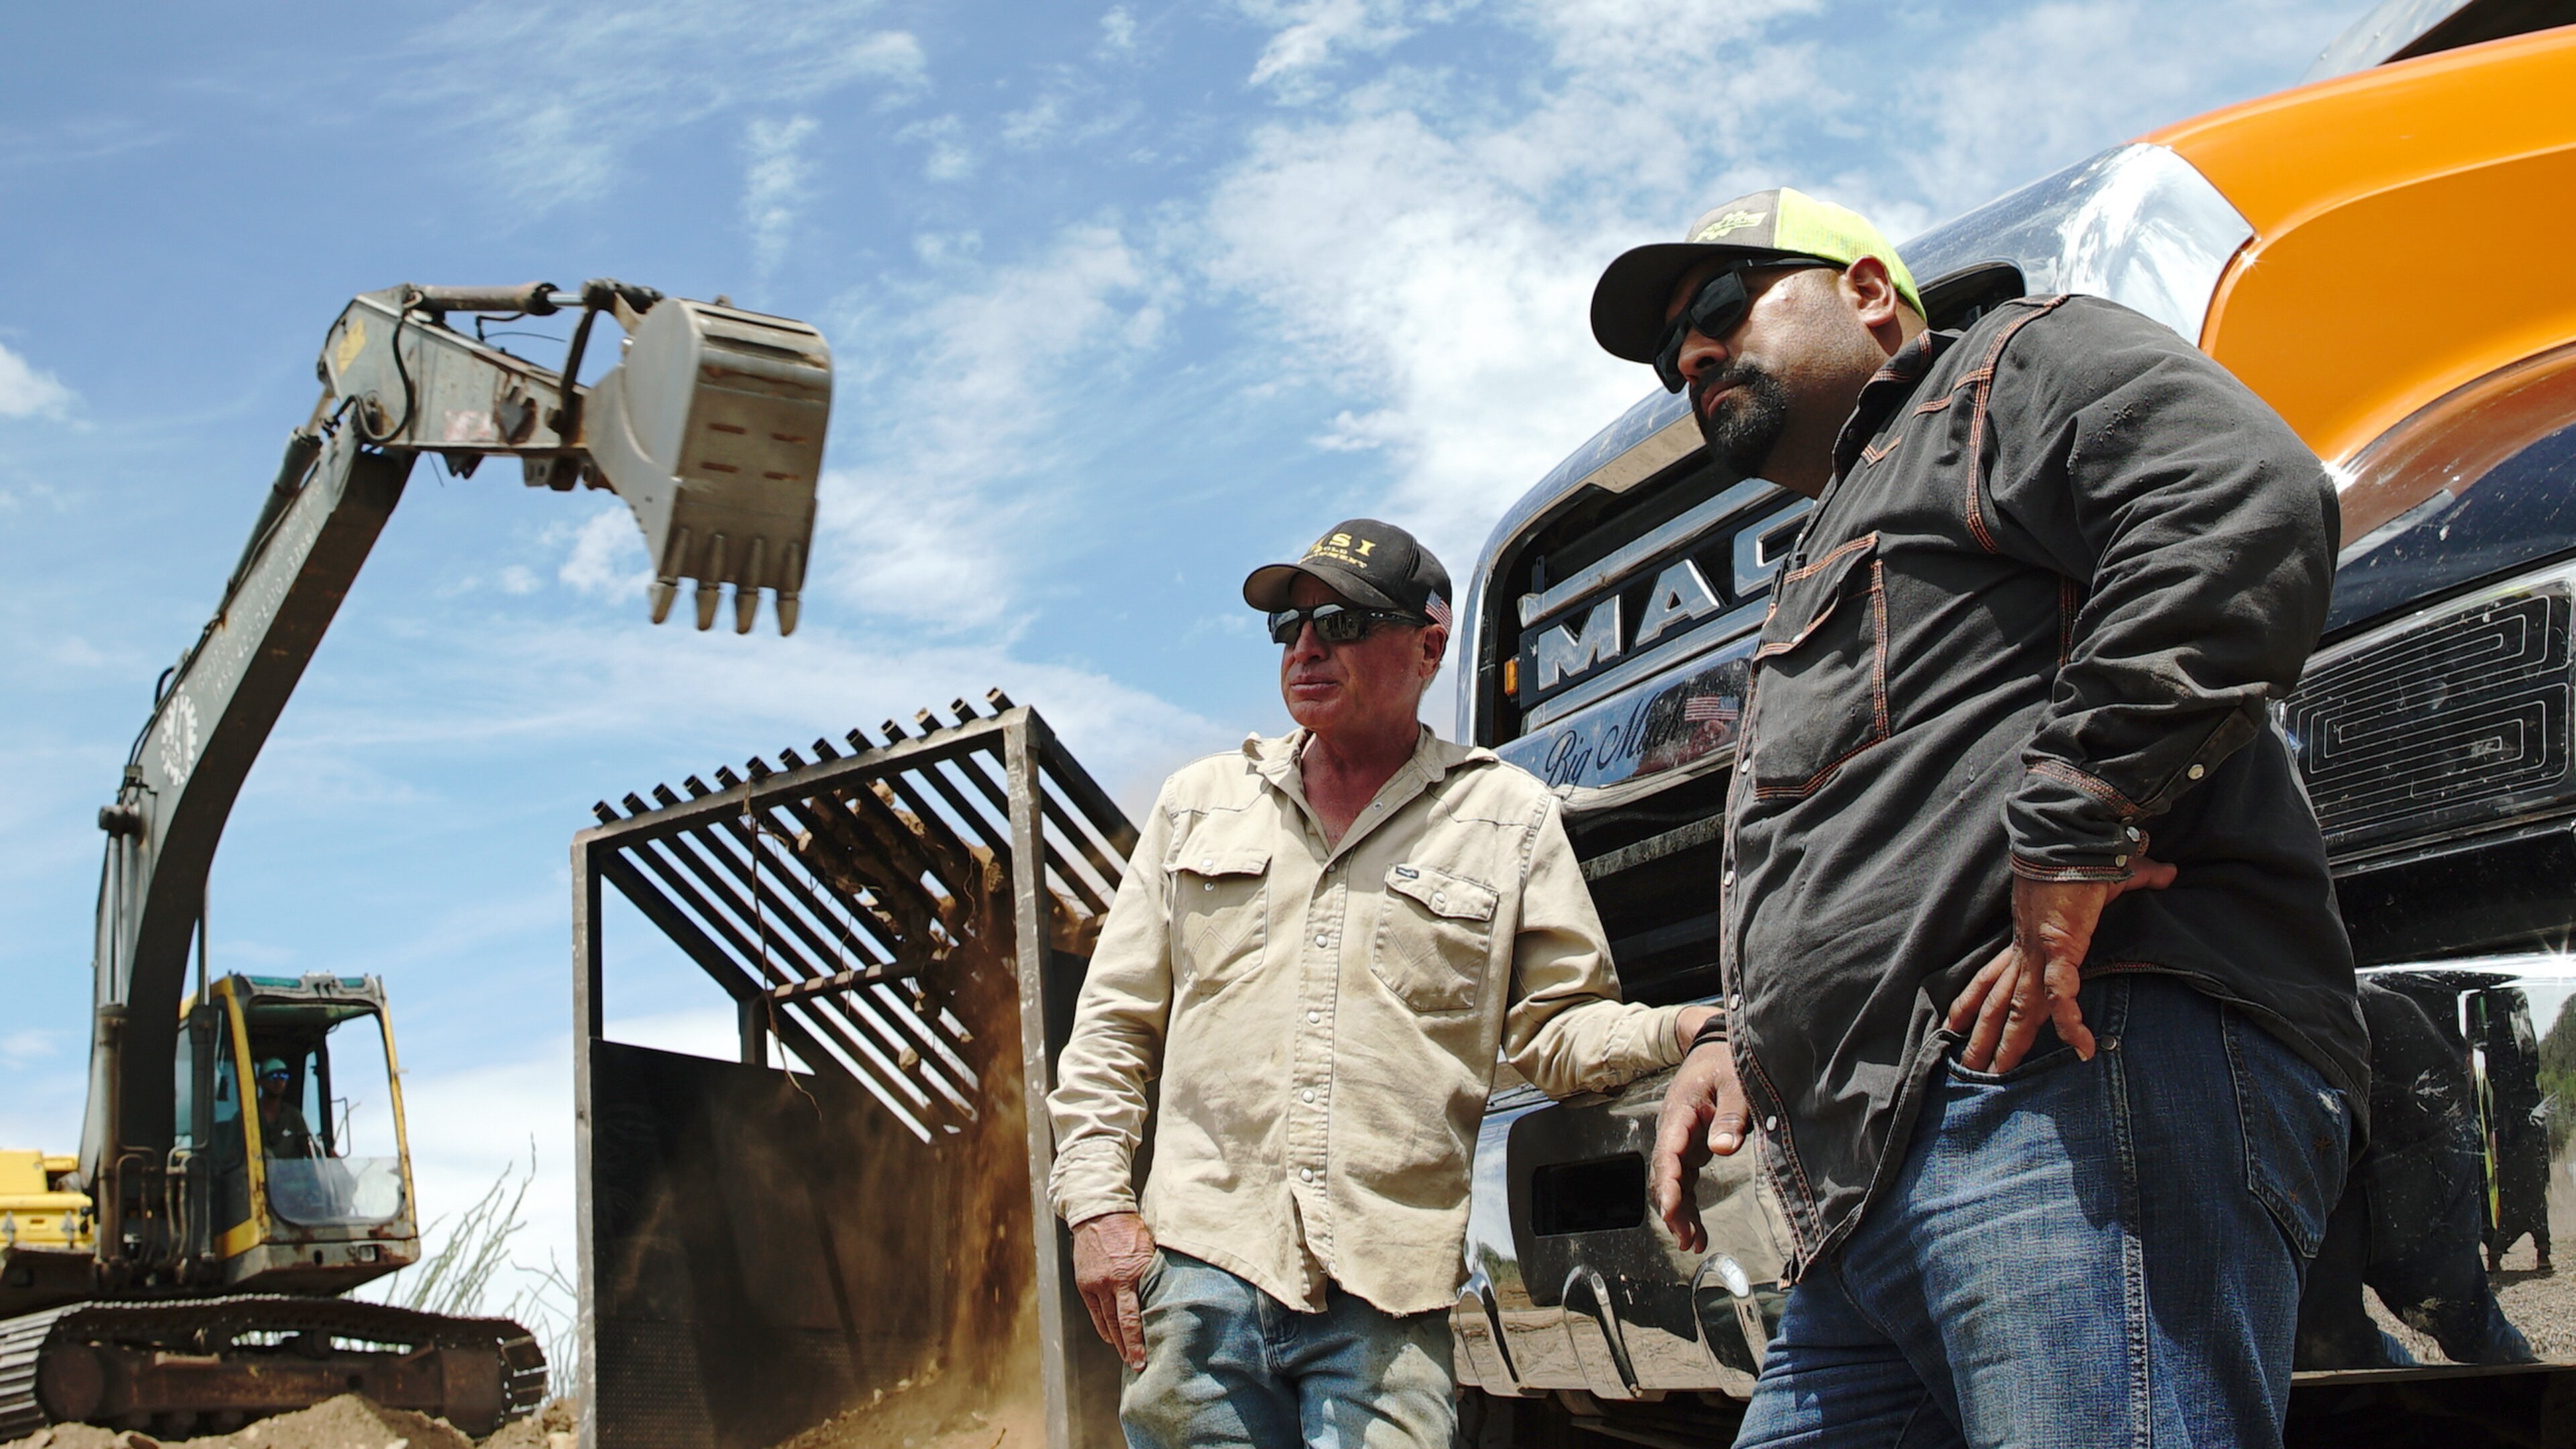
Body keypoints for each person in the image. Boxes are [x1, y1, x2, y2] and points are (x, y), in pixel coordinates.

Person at [1591, 189, 2368, 1446]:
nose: (1692, 356)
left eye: (1721, 305)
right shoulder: (1831, 538)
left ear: (1867, 290)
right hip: (1868, 1185)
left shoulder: (2011, 363)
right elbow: (1876, 822)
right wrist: (1746, 1035)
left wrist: (2077, 822)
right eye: (1669, 354)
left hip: (2065, 1089)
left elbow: (2237, 499)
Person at [1046, 519, 1716, 1449]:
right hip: (1198, 1285)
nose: (1308, 646)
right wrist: (1098, 1207)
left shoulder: (1505, 818)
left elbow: (1557, 1031)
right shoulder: (1199, 806)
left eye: (1345, 623)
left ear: (1430, 647)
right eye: (1290, 626)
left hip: (1385, 1304)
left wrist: (1686, 1031)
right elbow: (1113, 1029)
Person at [254, 1057, 318, 1159]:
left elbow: (310, 1149)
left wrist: (329, 1154)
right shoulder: (247, 1114)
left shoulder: (294, 1116)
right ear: (261, 1082)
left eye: (283, 1076)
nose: (279, 1081)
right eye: (273, 1076)